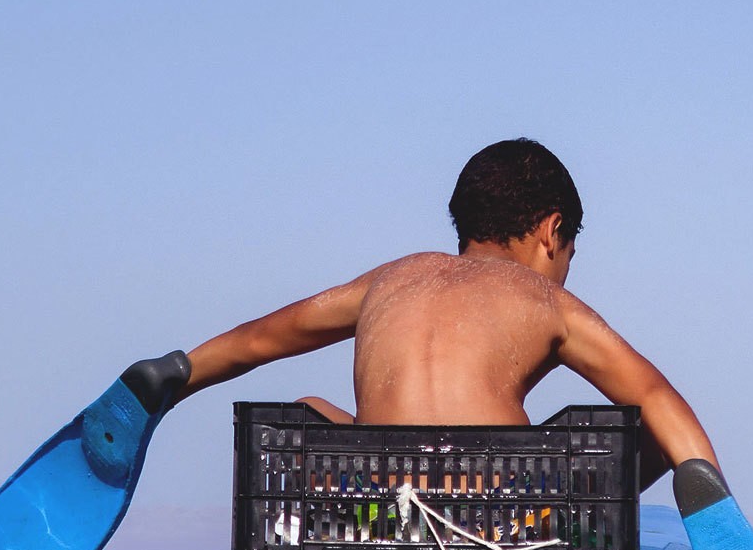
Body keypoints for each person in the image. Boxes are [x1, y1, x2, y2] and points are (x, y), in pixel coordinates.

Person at [177, 138, 719, 491]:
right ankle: (568, 531)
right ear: (553, 232)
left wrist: (171, 377)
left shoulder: (389, 279)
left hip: (380, 502)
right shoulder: (547, 300)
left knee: (308, 409)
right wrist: (722, 524)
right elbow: (655, 397)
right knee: (644, 431)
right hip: (500, 513)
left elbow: (256, 341)